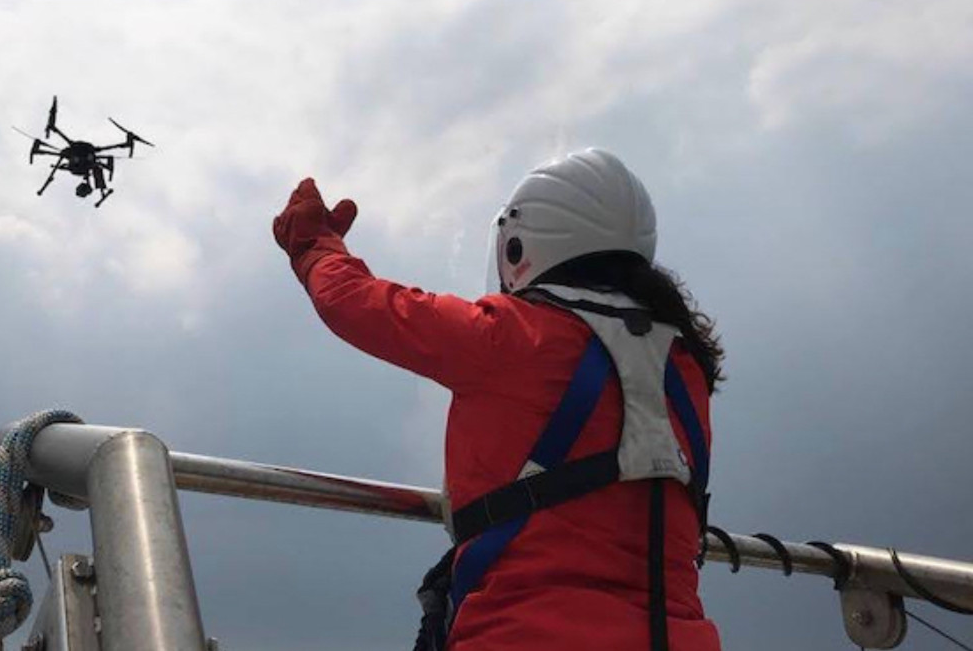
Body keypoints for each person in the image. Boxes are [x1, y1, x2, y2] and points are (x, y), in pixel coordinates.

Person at [273, 149, 723, 651]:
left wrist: (314, 245)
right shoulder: (686, 368)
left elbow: (356, 303)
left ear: (517, 246)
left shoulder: (512, 337)